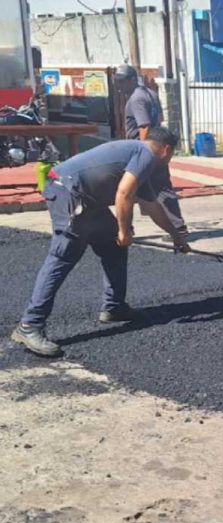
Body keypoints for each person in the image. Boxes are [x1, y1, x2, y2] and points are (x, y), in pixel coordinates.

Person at [11, 128, 189, 358]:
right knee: (63, 257)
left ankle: (114, 307)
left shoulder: (137, 156)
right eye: (172, 155)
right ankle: (29, 326)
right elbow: (124, 195)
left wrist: (176, 236)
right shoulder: (146, 155)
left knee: (113, 247)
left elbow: (152, 206)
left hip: (86, 200)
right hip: (68, 192)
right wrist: (125, 230)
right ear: (166, 149)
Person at [113, 64, 188, 239]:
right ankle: (177, 226)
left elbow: (144, 126)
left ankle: (128, 229)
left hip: (144, 151)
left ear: (132, 80)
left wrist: (143, 152)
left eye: (122, 81)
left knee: (131, 190)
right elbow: (160, 119)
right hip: (156, 147)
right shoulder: (151, 94)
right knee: (158, 188)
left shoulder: (137, 99)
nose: (119, 86)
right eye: (117, 82)